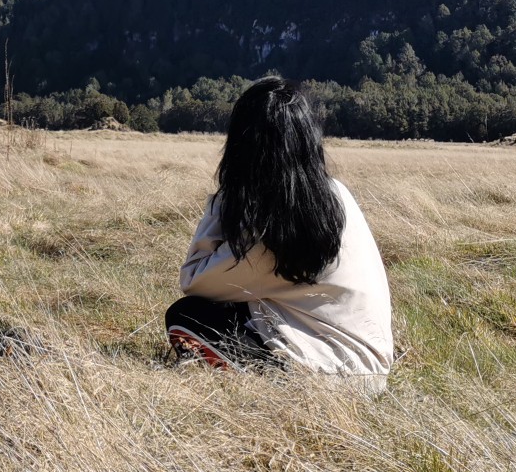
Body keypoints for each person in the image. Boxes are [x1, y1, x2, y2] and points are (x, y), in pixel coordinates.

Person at [166, 77, 393, 388]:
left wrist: (222, 200)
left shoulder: (273, 230)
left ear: (240, 147)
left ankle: (256, 382)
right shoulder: (337, 195)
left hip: (324, 381)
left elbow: (193, 280)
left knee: (188, 316)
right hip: (371, 373)